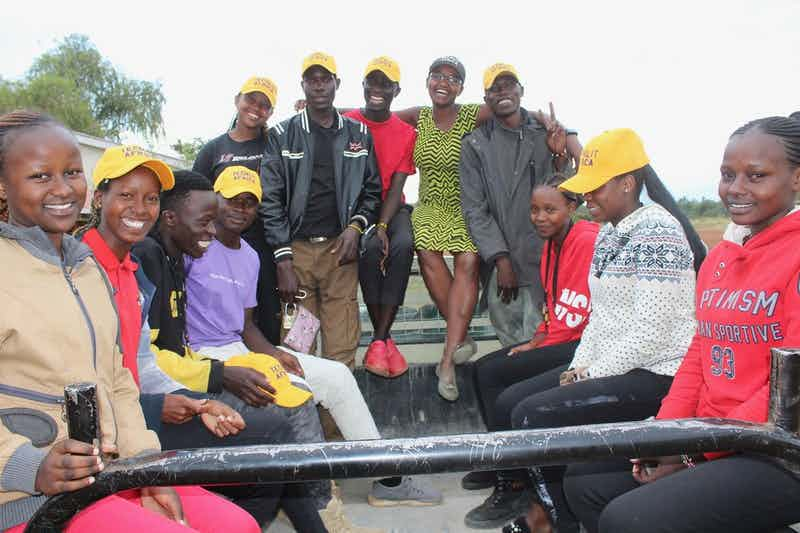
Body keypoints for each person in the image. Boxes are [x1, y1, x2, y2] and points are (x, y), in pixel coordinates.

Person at [0, 110, 260, 532]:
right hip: (29, 498)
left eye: (71, 172)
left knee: (238, 525)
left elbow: (119, 378)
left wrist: (147, 470)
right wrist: (27, 465)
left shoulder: (86, 270)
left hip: (108, 474)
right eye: (40, 176)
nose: (63, 189)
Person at [562, 116, 800, 533]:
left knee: (629, 519)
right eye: (728, 175)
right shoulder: (722, 257)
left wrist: (692, 454)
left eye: (756, 176)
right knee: (587, 479)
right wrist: (666, 433)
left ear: (797, 179)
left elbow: (788, 393)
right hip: (713, 433)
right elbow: (699, 354)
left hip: (779, 447)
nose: (736, 188)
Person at [79, 147, 325, 531]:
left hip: (146, 405)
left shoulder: (134, 267)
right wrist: (208, 384)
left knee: (279, 424)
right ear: (99, 198)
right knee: (274, 437)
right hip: (118, 425)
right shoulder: (89, 268)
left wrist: (197, 401)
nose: (141, 209)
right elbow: (99, 380)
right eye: (126, 196)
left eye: (150, 199)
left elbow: (143, 360)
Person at [486, 128, 706, 533]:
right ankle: (552, 512)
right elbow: (602, 318)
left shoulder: (657, 231)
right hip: (613, 364)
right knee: (517, 401)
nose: (587, 197)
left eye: (596, 188)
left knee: (532, 416)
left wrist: (589, 374)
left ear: (627, 183)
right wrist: (580, 364)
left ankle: (554, 522)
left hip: (657, 371)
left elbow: (651, 333)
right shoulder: (608, 232)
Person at [185, 165, 442, 508]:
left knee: (336, 376)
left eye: (249, 202)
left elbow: (245, 325)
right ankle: (315, 501)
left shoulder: (250, 256)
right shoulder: (194, 244)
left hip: (241, 347)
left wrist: (274, 354)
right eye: (231, 199)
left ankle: (388, 480)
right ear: (214, 199)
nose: (239, 208)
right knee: (299, 394)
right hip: (203, 356)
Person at [461, 173, 598, 499]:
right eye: (535, 210)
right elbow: (553, 307)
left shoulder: (585, 239)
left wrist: (536, 347)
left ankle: (513, 479)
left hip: (584, 344)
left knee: (497, 373)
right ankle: (500, 460)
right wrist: (534, 341)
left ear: (572, 206)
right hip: (563, 335)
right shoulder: (552, 243)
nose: (539, 217)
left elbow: (574, 315)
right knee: (481, 369)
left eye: (550, 210)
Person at [260, 51, 382, 370]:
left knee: (341, 355)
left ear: (336, 84)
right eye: (311, 79)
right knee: (299, 353)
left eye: (324, 78)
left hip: (339, 255)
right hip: (296, 256)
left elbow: (372, 191)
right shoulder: (281, 134)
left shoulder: (359, 134)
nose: (318, 85)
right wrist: (283, 259)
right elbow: (270, 198)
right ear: (302, 85)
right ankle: (305, 422)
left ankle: (332, 423)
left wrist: (355, 228)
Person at [460, 63, 574, 350]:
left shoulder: (546, 133)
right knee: (514, 352)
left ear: (521, 90)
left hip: (547, 264)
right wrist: (501, 260)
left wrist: (560, 156)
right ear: (486, 98)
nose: (503, 92)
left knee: (549, 348)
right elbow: (475, 210)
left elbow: (568, 195)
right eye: (494, 88)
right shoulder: (475, 144)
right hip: (504, 271)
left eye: (509, 85)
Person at [193, 76, 282, 346]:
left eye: (264, 105)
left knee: (266, 311)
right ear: (237, 100)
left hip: (264, 244)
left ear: (271, 112)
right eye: (250, 100)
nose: (256, 108)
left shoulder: (273, 145)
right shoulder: (214, 149)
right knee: (220, 310)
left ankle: (267, 365)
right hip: (219, 245)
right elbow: (194, 196)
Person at [342, 56, 416, 378]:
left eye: (385, 84)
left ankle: (379, 339)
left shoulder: (405, 132)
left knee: (403, 245)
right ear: (363, 86)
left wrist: (384, 225)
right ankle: (384, 340)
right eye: (372, 82)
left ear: (396, 90)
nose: (378, 89)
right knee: (370, 249)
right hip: (356, 207)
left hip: (391, 205)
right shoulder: (346, 121)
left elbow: (398, 183)